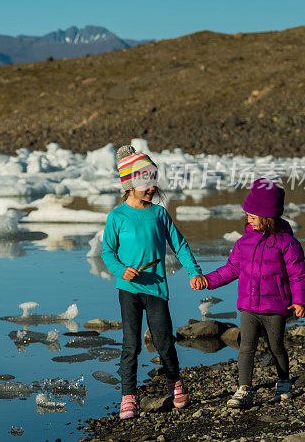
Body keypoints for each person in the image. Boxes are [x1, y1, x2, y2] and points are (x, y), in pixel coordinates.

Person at [102, 145, 205, 419]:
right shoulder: (117, 216)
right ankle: (128, 396)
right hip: (129, 290)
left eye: (153, 181)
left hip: (156, 288)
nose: (150, 188)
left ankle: (175, 383)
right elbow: (107, 253)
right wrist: (121, 270)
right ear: (129, 183)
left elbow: (180, 245)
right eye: (144, 182)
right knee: (131, 345)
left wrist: (194, 272)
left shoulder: (159, 215)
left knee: (164, 341)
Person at [191, 178, 305, 408]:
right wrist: (207, 281)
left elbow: (298, 275)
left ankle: (284, 382)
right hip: (248, 308)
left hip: (275, 309)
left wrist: (300, 301)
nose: (248, 220)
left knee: (276, 347)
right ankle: (244, 388)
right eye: (247, 215)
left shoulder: (286, 243)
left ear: (268, 217)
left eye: (253, 217)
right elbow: (232, 269)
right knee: (246, 348)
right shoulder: (244, 242)